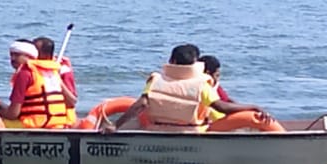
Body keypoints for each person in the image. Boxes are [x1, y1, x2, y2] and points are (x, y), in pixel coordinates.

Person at [101, 44, 271, 133]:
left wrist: (116, 125)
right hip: (192, 134)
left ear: (172, 61)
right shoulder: (202, 84)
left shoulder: (154, 80)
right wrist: (253, 107)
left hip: (158, 133)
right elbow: (222, 107)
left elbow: (141, 104)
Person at [0, 40, 77, 129]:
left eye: (17, 55)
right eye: (11, 55)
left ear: (30, 56)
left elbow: (13, 114)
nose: (13, 59)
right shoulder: (53, 72)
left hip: (33, 126)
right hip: (57, 125)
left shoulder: (25, 74)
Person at [34, 36, 78, 125]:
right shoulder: (31, 70)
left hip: (63, 120)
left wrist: (56, 79)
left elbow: (71, 102)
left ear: (46, 55)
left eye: (36, 52)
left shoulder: (62, 69)